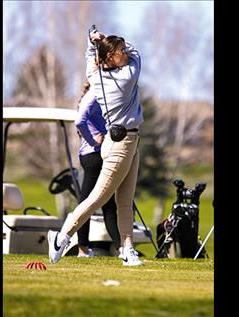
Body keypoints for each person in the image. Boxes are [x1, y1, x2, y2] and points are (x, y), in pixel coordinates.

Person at [48, 26, 144, 266]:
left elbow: (90, 61)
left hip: (128, 140)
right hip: (121, 144)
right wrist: (101, 41)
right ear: (110, 58)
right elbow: (137, 55)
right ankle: (62, 237)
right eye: (120, 50)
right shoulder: (127, 76)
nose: (125, 52)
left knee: (124, 200)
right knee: (97, 198)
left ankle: (127, 249)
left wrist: (94, 44)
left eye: (123, 48)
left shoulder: (96, 78)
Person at [74, 81, 121, 257]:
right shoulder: (95, 96)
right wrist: (94, 141)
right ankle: (83, 249)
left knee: (108, 204)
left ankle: (121, 247)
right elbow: (80, 123)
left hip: (93, 156)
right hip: (94, 156)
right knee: (87, 203)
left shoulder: (96, 98)